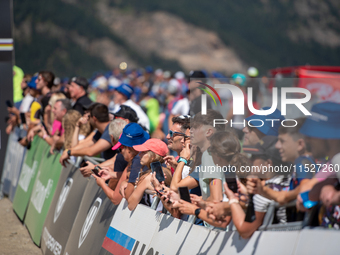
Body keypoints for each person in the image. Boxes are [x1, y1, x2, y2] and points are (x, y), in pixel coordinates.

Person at [227, 136, 291, 238]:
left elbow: (245, 231)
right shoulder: (289, 180)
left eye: (254, 157)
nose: (249, 160)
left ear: (268, 164)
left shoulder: (262, 193)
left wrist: (232, 199)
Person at [247, 118, 315, 206]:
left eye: (282, 141)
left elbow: (306, 187)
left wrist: (285, 196)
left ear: (300, 144)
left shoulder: (301, 161)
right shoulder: (304, 162)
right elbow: (280, 196)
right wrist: (263, 190)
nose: (277, 145)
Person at [296, 102, 340, 228]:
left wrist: (335, 195)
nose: (307, 139)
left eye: (312, 134)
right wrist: (321, 189)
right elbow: (306, 196)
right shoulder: (334, 162)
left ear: (329, 137)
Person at [127, 138, 171, 210]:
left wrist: (137, 186)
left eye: (143, 152)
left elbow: (131, 205)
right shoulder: (168, 171)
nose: (139, 155)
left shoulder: (149, 177)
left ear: (153, 156)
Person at [113, 123, 150, 200]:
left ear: (129, 148)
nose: (120, 152)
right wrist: (127, 180)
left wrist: (126, 182)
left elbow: (127, 196)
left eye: (122, 147)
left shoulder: (138, 160)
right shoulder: (148, 154)